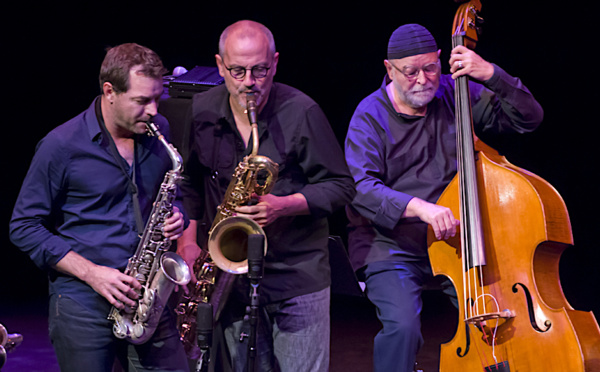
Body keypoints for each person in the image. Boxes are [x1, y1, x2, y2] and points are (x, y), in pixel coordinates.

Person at [344, 24, 543, 372]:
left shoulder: (457, 94)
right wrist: (418, 208)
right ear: (389, 69)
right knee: (402, 326)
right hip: (391, 245)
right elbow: (360, 187)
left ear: (440, 61)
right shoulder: (369, 116)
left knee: (495, 317)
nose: (422, 79)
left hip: (456, 241)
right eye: (410, 71)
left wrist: (492, 74)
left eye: (430, 68)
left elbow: (528, 119)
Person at [176, 20, 355, 372]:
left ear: (274, 62)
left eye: (259, 70)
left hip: (296, 276)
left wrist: (283, 206)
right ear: (219, 65)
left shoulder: (302, 112)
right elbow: (189, 184)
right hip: (230, 278)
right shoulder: (201, 111)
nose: (249, 82)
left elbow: (341, 186)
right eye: (238, 71)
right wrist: (186, 244)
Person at [9, 43, 189, 372]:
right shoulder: (61, 146)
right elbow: (23, 226)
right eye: (141, 100)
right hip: (83, 306)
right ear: (109, 91)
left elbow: (175, 192)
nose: (152, 110)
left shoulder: (158, 129)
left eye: (156, 98)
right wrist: (93, 274)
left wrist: (178, 214)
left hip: (147, 299)